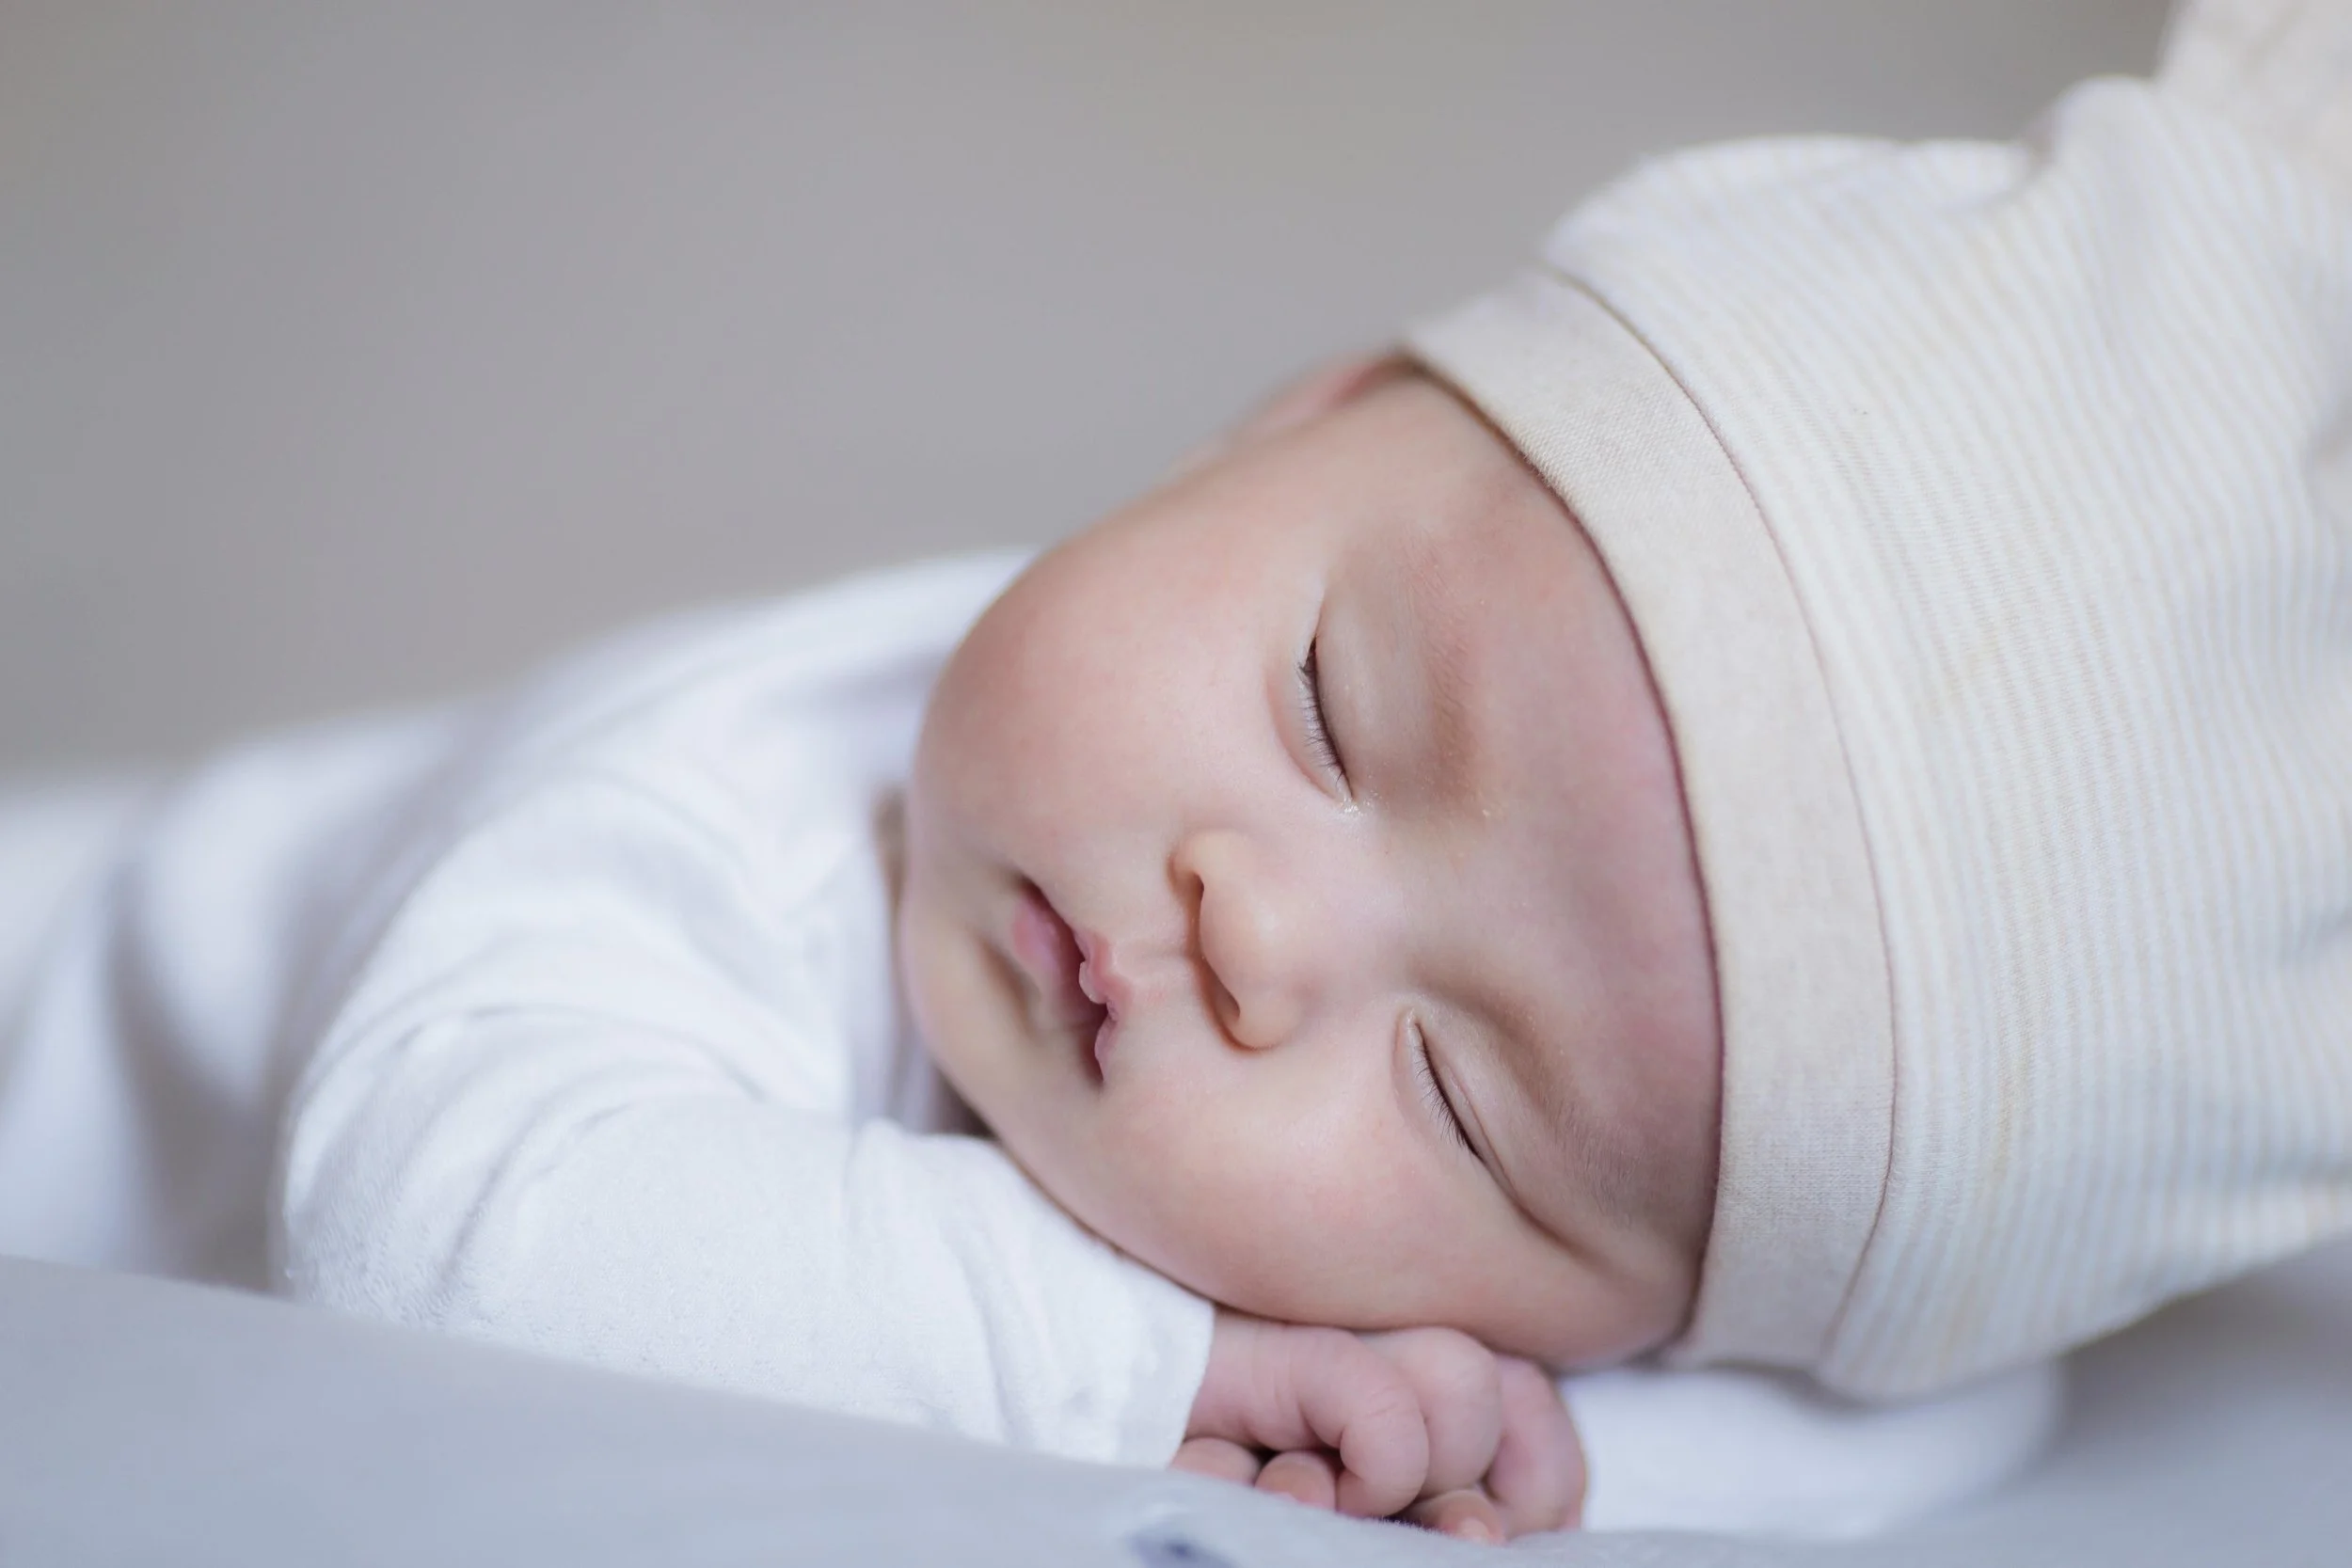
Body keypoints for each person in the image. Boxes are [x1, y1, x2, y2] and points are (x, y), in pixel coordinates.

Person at [2, 0, 2345, 1543]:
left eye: (1460, 1102)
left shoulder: (1692, 1319)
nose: (1257, 926)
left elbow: (1933, 1423)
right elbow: (444, 1235)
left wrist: (1548, 1444)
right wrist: (1174, 1367)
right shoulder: (737, 802)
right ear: (1298, 412)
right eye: (1332, 706)